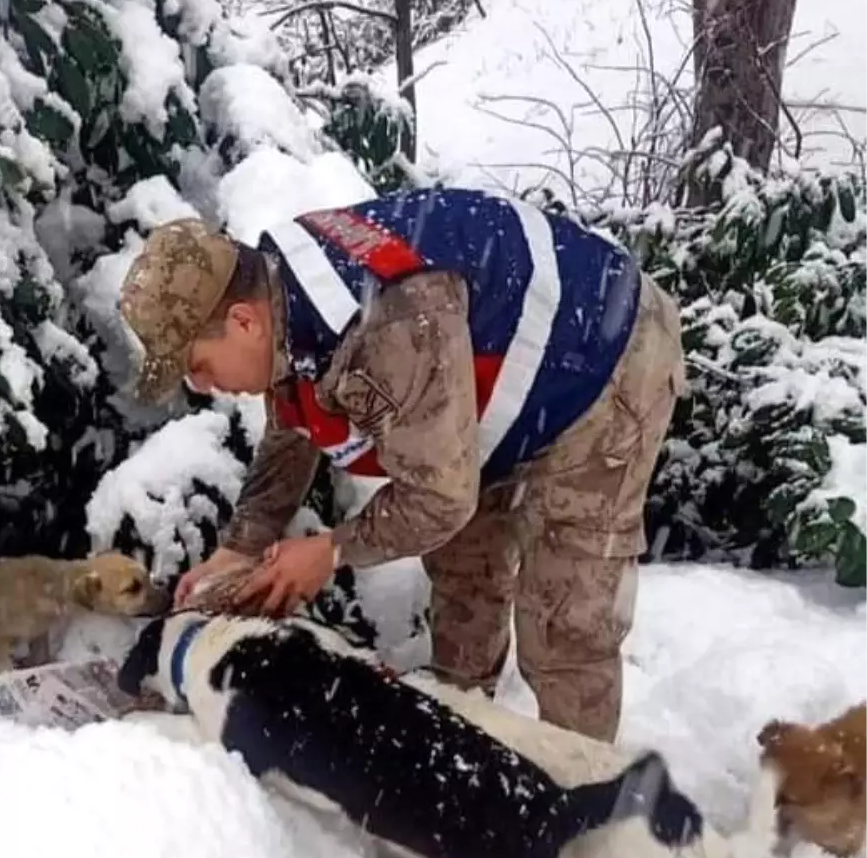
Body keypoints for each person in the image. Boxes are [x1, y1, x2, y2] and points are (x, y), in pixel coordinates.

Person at [116, 187, 685, 742]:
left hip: (606, 359)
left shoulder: (388, 325)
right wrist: (241, 545)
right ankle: (462, 733)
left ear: (243, 322)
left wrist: (332, 551)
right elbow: (295, 422)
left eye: (198, 366)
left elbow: (439, 499)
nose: (203, 385)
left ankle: (584, 796)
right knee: (464, 569)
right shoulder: (279, 292)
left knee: (562, 622)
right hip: (485, 377)